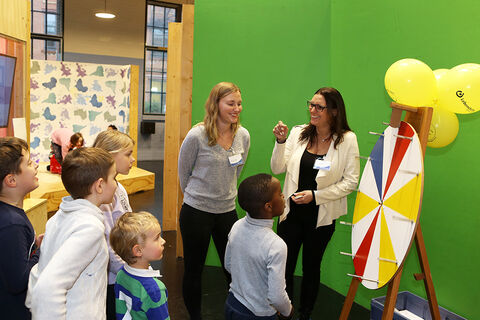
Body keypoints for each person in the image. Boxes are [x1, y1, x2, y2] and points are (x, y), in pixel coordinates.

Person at [270, 87, 360, 320]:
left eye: (319, 107)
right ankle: (284, 310)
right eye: (311, 104)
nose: (312, 110)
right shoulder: (299, 132)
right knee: (285, 266)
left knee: (311, 268)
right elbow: (277, 168)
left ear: (334, 111)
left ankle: (305, 314)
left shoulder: (347, 139)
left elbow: (351, 182)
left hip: (321, 216)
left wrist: (316, 196)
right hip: (291, 213)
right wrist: (280, 141)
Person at [178, 81, 250, 319]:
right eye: (230, 103)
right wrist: (198, 196)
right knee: (194, 270)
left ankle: (236, 313)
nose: (236, 108)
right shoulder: (197, 135)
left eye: (239, 103)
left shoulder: (243, 136)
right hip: (196, 212)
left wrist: (225, 192)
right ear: (215, 104)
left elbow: (236, 172)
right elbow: (183, 173)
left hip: (227, 212)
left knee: (233, 269)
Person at [26, 147, 118, 320]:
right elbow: (47, 287)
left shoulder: (57, 219)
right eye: (114, 178)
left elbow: (38, 272)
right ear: (99, 185)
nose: (116, 184)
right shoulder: (89, 228)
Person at [224, 173, 293, 320]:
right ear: (268, 206)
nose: (283, 196)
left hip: (232, 304)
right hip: (259, 314)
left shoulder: (237, 226)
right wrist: (288, 311)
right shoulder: (276, 245)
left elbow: (229, 265)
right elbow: (277, 296)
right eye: (280, 194)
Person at [93, 130, 135, 320]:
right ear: (110, 157)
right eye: (128, 154)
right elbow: (107, 242)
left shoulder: (120, 188)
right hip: (110, 279)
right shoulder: (102, 194)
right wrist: (128, 270)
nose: (132, 159)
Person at [0, 137, 41, 319]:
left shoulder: (11, 216)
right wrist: (42, 251)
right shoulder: (12, 224)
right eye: (30, 163)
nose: (36, 166)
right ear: (11, 180)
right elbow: (18, 280)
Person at [110, 211, 168, 320]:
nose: (163, 241)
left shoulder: (121, 274)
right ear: (138, 250)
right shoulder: (154, 290)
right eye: (157, 238)